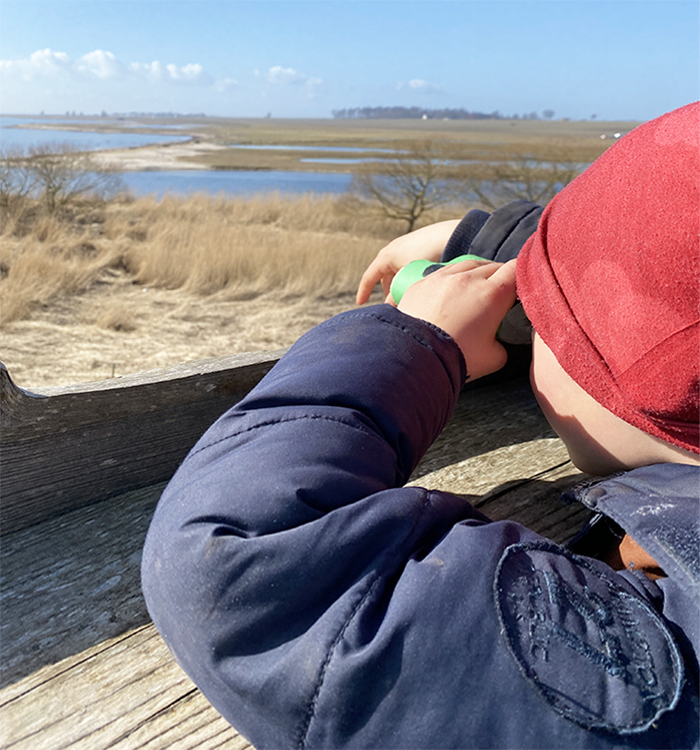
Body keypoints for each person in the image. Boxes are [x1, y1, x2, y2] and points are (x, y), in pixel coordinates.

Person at [141, 102, 699, 749]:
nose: (533, 314)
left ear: (647, 398)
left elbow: (234, 565)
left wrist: (421, 344)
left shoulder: (664, 679)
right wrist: (486, 241)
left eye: (548, 314)